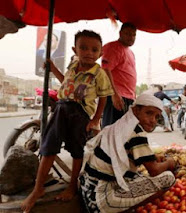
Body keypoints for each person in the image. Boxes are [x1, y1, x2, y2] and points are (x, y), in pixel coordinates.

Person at [21, 30, 114, 212]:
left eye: (94, 50)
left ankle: (73, 186)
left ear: (100, 54)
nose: (89, 52)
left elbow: (104, 97)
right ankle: (38, 188)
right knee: (48, 147)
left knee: (77, 151)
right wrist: (54, 69)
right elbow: (66, 84)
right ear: (75, 49)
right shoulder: (72, 66)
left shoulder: (99, 74)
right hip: (61, 109)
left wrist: (95, 120)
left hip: (80, 114)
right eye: (83, 48)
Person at [80, 93, 176, 213]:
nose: (152, 121)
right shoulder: (136, 131)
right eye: (149, 113)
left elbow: (125, 150)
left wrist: (154, 157)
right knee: (168, 178)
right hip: (102, 201)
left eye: (157, 117)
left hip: (88, 191)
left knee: (138, 175)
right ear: (136, 110)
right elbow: (154, 170)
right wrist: (170, 163)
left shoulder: (120, 126)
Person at [101, 23, 137, 127]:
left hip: (127, 97)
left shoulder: (130, 52)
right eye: (127, 34)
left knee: (124, 132)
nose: (131, 37)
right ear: (120, 33)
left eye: (133, 35)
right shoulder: (113, 48)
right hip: (117, 97)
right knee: (112, 132)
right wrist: (115, 94)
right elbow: (105, 71)